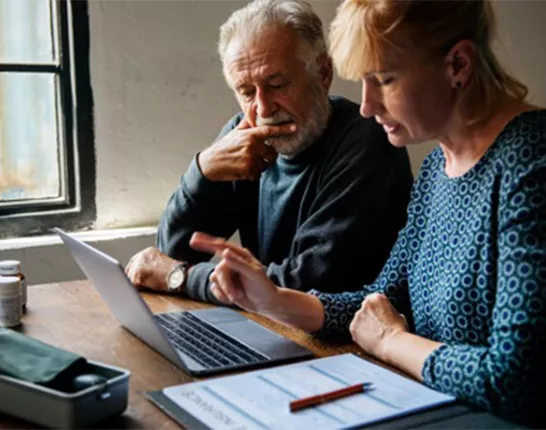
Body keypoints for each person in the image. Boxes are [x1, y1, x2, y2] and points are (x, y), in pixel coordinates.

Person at [190, 0, 546, 426]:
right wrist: (273, 299)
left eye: (384, 79)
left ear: (458, 64)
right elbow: (381, 300)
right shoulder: (438, 168)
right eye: (362, 81)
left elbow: (515, 380)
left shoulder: (533, 163)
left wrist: (393, 342)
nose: (366, 106)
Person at [125, 0, 413, 303]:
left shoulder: (368, 141)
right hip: (271, 328)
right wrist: (202, 170)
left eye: (277, 85)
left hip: (344, 340)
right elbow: (171, 251)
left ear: (323, 73)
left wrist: (181, 278)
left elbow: (309, 285)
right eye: (247, 92)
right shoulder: (244, 136)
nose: (263, 108)